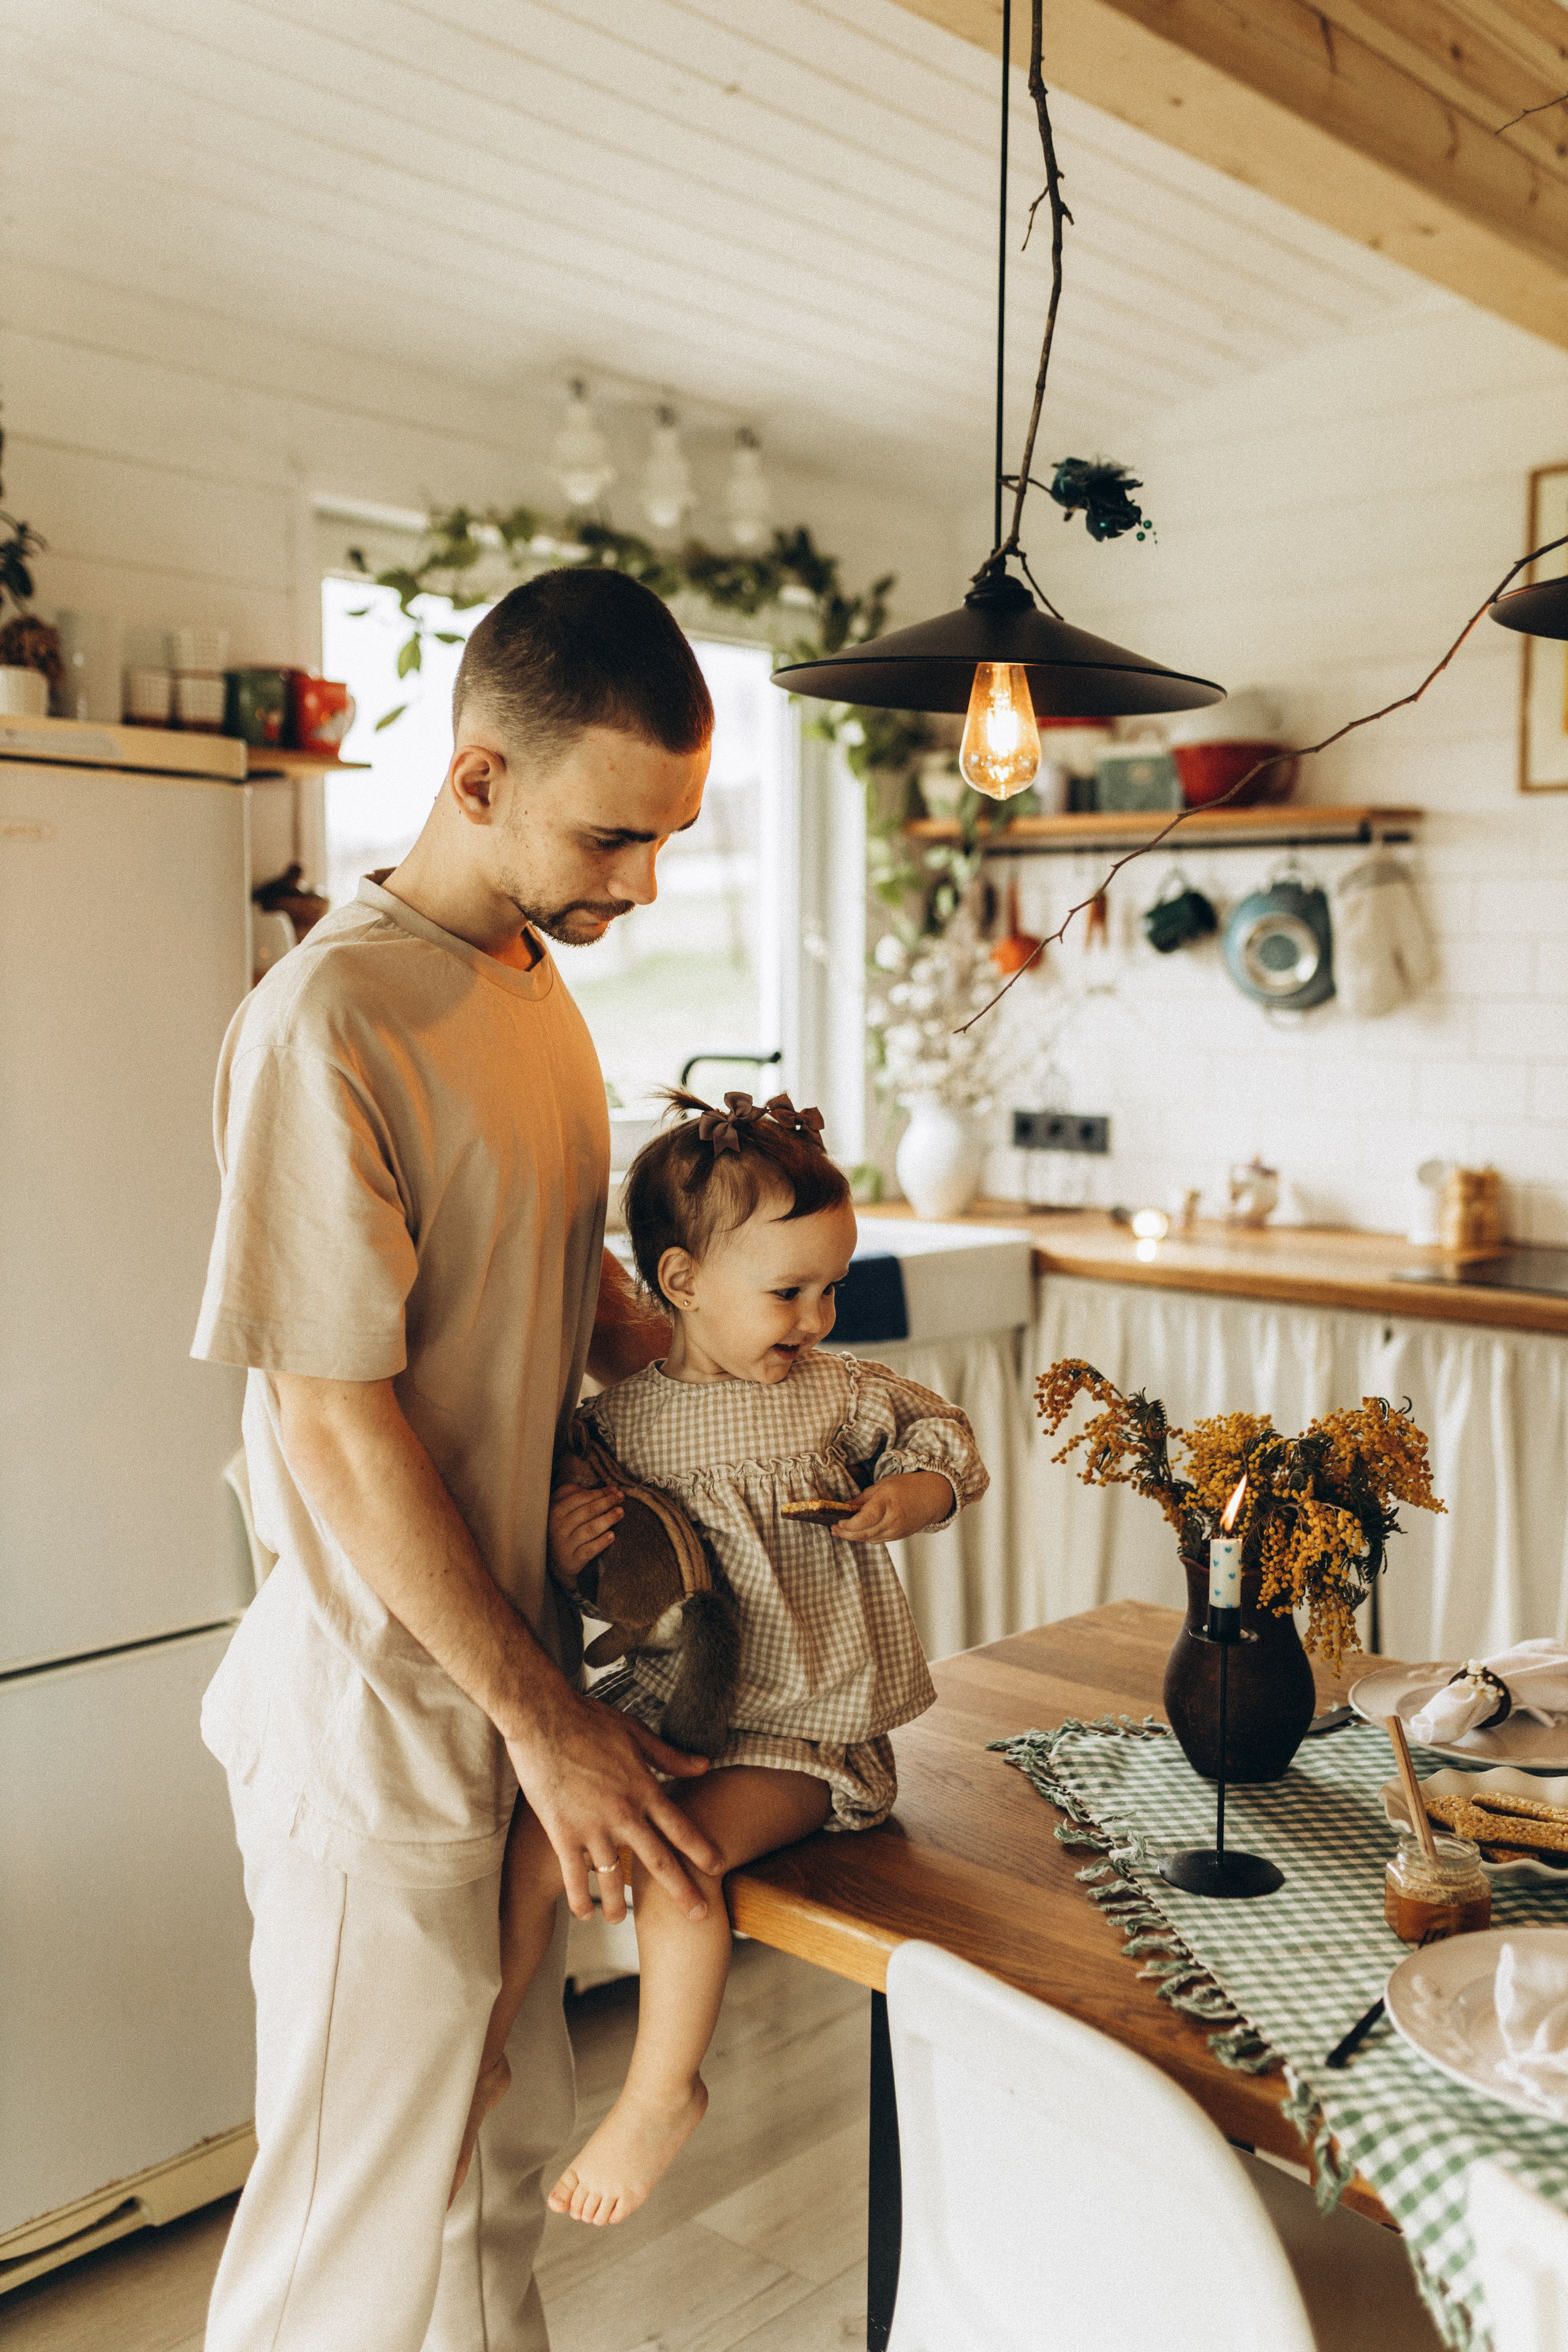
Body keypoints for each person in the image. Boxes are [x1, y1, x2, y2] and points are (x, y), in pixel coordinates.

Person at [191, 568, 728, 2352]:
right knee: (340, 2266)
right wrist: (549, 1722)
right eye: (612, 835)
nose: (640, 885)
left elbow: (532, 1265)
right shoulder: (327, 1023)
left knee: (489, 2199)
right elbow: (327, 1419)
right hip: (384, 1717)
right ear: (478, 777)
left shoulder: (528, 985)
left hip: (511, 1712)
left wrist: (683, 1337)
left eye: (670, 839)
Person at [448, 1088, 989, 2226]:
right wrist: (567, 1539)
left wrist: (910, 1494)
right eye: (788, 1292)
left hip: (805, 1736)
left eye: (831, 1288)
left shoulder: (838, 1398)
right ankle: (481, 2054)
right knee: (543, 1842)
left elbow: (947, 1435)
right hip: (675, 1711)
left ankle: (660, 2092)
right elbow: (605, 1566)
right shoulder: (618, 1423)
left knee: (671, 1855)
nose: (817, 1318)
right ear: (682, 1282)